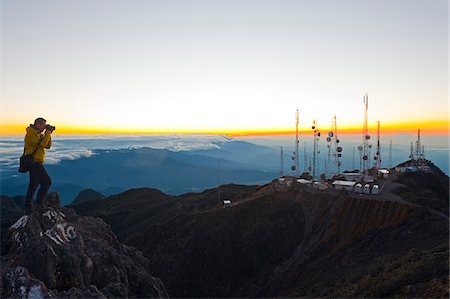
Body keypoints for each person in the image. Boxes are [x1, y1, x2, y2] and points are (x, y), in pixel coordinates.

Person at [24, 117, 55, 214]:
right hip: (33, 163)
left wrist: (48, 134)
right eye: (43, 125)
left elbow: (47, 145)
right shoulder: (30, 135)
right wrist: (48, 132)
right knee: (47, 182)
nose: (44, 127)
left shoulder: (38, 135)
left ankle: (28, 207)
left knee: (33, 185)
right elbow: (42, 144)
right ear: (37, 124)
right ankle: (39, 204)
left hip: (37, 163)